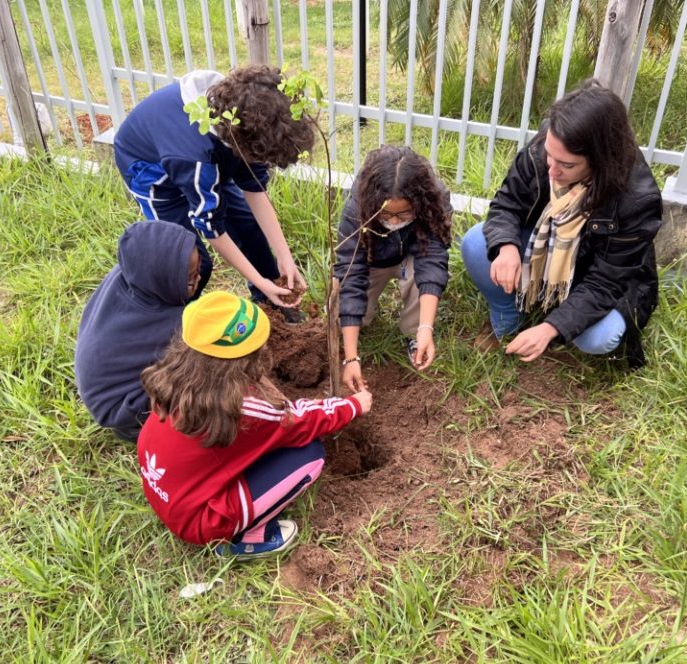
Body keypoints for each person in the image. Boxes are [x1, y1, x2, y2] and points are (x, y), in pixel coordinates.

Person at [137, 291, 373, 559]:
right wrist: (353, 405)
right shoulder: (241, 409)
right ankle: (242, 540)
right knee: (310, 456)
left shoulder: (175, 377)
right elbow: (297, 421)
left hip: (163, 486)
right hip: (199, 520)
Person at [461, 79, 663, 368]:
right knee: (476, 243)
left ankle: (556, 315)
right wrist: (506, 247)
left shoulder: (637, 200)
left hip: (595, 270)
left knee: (597, 337)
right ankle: (508, 311)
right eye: (549, 156)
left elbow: (605, 283)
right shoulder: (548, 147)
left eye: (567, 165)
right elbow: (507, 203)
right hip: (549, 249)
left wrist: (550, 328)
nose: (551, 171)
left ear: (601, 160)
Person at [113, 65, 315, 319]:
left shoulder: (240, 115)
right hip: (153, 173)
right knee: (188, 263)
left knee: (248, 226)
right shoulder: (197, 159)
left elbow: (254, 188)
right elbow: (212, 228)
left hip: (205, 155)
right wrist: (257, 278)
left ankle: (270, 302)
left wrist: (284, 257)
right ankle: (174, 323)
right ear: (243, 145)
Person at [333, 145, 452, 392]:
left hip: (411, 257)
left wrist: (426, 327)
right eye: (386, 215)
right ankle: (354, 327)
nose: (395, 221)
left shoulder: (434, 200)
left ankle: (415, 334)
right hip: (371, 261)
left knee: (421, 281)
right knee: (343, 311)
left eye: (405, 213)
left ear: (419, 203)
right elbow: (351, 272)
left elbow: (431, 261)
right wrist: (351, 357)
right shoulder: (357, 208)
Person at [75, 221, 203, 441]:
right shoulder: (170, 324)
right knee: (205, 375)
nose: (199, 279)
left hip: (112, 381)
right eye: (190, 278)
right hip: (124, 408)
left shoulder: (137, 275)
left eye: (197, 270)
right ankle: (145, 428)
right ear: (162, 279)